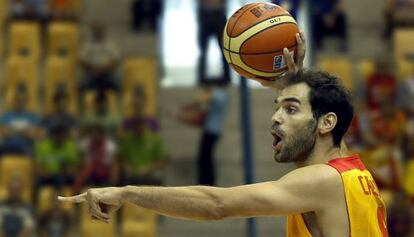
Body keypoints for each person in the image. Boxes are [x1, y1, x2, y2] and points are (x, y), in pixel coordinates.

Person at [59, 33, 389, 236]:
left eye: (289, 109)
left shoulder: (321, 181)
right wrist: (293, 83)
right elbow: (329, 128)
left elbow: (216, 205)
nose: (274, 118)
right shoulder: (354, 172)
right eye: (277, 107)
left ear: (326, 123)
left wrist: (127, 193)